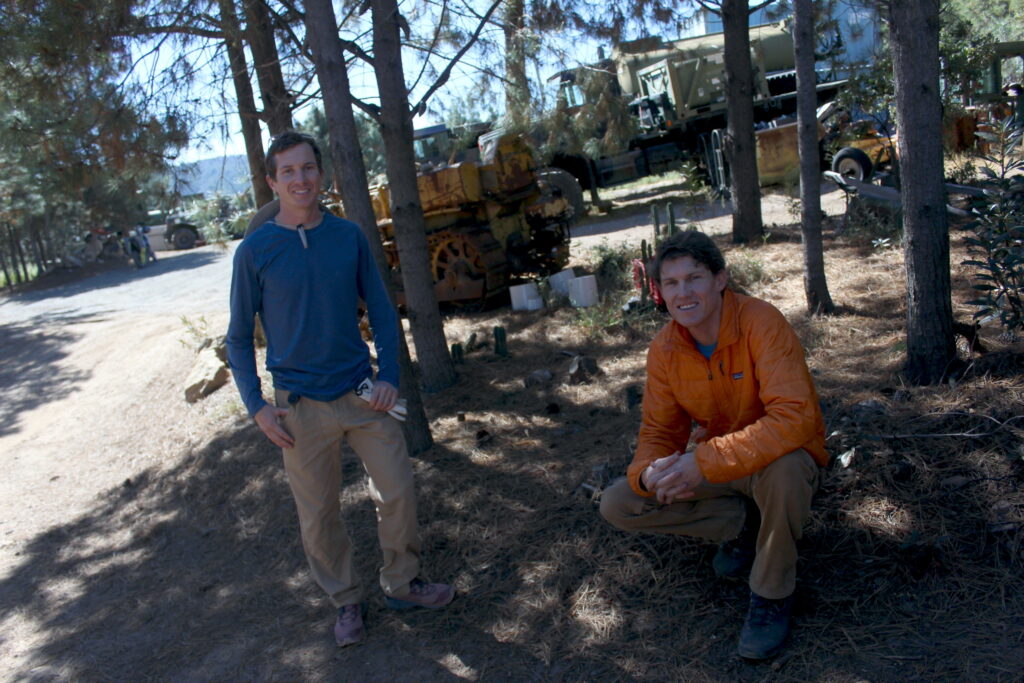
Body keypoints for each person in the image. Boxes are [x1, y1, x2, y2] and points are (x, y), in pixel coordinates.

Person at [226, 131, 454, 648]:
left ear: (321, 174)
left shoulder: (347, 236)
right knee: (319, 514)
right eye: (288, 172)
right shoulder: (255, 251)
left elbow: (380, 309)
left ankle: (403, 582)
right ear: (272, 181)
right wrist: (256, 406)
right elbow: (238, 338)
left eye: (308, 169)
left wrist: (391, 376)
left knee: (396, 491)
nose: (300, 180)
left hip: (362, 393)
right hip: (298, 409)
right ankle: (345, 601)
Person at [599, 230, 828, 660]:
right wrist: (649, 474)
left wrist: (703, 461)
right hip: (720, 466)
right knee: (619, 502)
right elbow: (659, 433)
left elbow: (795, 418)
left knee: (786, 471)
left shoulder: (761, 322)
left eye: (695, 278)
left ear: (720, 279)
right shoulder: (664, 349)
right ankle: (743, 527)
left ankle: (771, 595)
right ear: (660, 292)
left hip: (775, 456)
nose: (683, 293)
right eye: (671, 283)